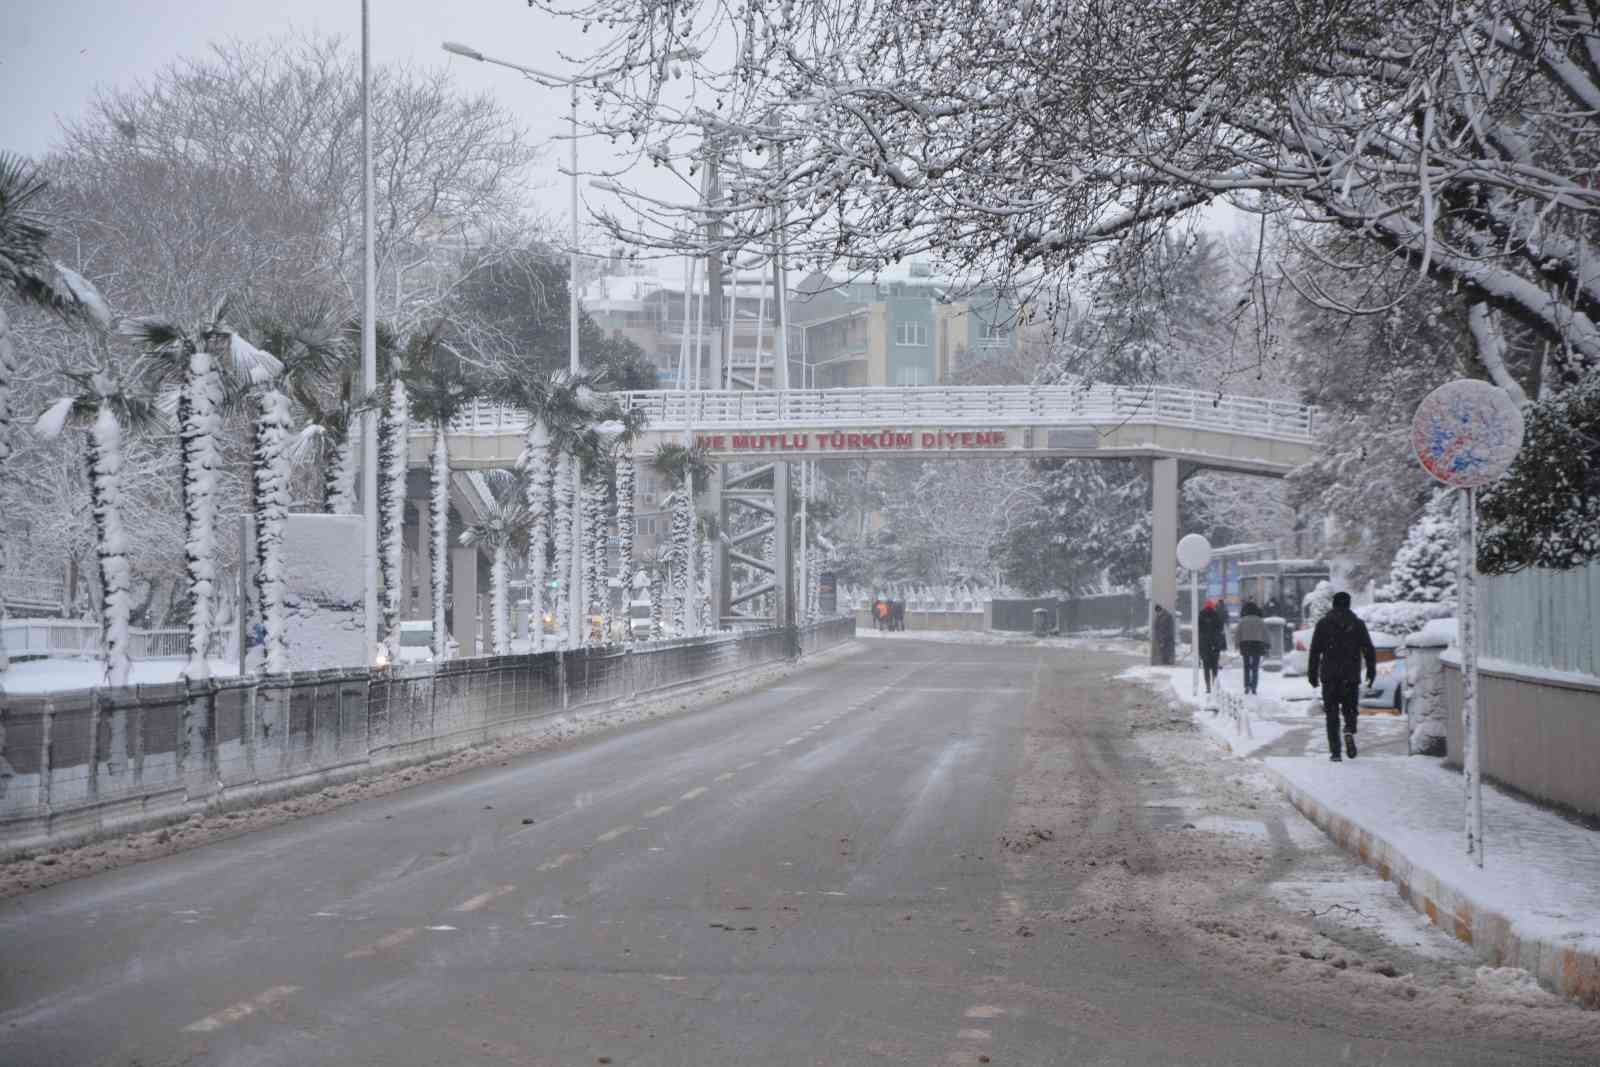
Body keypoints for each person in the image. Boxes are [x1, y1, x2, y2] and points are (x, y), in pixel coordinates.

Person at [1307, 591, 1377, 762]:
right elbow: (1368, 649)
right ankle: (1349, 729)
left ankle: (1336, 752)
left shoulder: (1323, 624)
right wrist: (1371, 670)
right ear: (1348, 604)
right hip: (1350, 675)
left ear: (1334, 604)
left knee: (1331, 714)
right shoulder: (1357, 624)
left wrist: (1312, 673)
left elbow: (1315, 650)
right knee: (1350, 710)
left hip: (1330, 675)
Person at [1235, 600, 1268, 695]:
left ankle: (1246, 685)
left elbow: (1238, 633)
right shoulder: (1259, 620)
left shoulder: (1242, 621)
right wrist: (1267, 644)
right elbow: (1265, 633)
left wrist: (1237, 644)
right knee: (1255, 667)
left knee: (1246, 666)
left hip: (1245, 644)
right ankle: (1254, 686)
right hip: (1257, 644)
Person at [1197, 599, 1226, 694]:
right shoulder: (1217, 616)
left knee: (1206, 667)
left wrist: (1198, 646)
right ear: (1213, 606)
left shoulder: (1200, 616)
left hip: (1204, 645)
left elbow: (1198, 632)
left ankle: (1208, 686)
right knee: (1214, 667)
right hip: (1215, 645)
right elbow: (1221, 632)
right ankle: (1214, 685)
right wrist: (1221, 645)